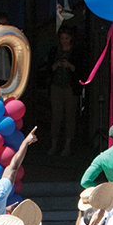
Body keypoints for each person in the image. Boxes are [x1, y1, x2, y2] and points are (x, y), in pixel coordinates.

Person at [46, 26, 83, 157]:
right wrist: (55, 66)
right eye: (62, 38)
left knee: (70, 117)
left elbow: (81, 71)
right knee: (56, 116)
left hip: (70, 88)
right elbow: (47, 69)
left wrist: (70, 66)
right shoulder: (54, 51)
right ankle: (54, 145)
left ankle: (67, 146)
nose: (64, 41)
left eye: (66, 38)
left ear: (71, 38)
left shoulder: (77, 51)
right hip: (56, 87)